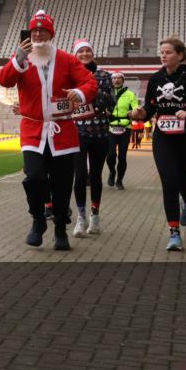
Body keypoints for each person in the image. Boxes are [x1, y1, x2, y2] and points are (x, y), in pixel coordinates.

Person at [0, 10, 97, 251]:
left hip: (63, 131)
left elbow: (89, 82)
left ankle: (61, 229)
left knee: (62, 184)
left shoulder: (66, 59)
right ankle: (38, 219)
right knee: (34, 177)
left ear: (51, 34)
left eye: (42, 30)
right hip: (32, 129)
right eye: (34, 31)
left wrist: (80, 93)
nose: (38, 34)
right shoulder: (22, 59)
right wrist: (17, 59)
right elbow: (4, 80)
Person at [129, 37, 186, 251]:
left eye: (168, 52)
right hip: (164, 137)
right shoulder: (156, 79)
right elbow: (151, 107)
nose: (163, 55)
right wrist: (141, 114)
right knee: (169, 182)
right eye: (161, 52)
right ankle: (174, 232)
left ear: (180, 55)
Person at [68, 39, 115, 237]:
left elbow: (111, 102)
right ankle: (80, 217)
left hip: (101, 132)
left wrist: (91, 93)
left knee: (95, 175)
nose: (85, 54)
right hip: (77, 132)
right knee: (79, 176)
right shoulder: (69, 76)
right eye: (81, 52)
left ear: (93, 53)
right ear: (75, 55)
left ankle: (95, 216)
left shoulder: (103, 75)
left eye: (88, 51)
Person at [106, 72, 139, 190]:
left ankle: (119, 180)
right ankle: (111, 172)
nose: (116, 80)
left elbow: (135, 107)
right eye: (114, 78)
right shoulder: (107, 93)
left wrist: (134, 112)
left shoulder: (130, 94)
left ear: (123, 80)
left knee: (122, 157)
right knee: (110, 155)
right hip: (110, 127)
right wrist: (105, 112)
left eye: (119, 78)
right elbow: (101, 106)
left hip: (125, 128)